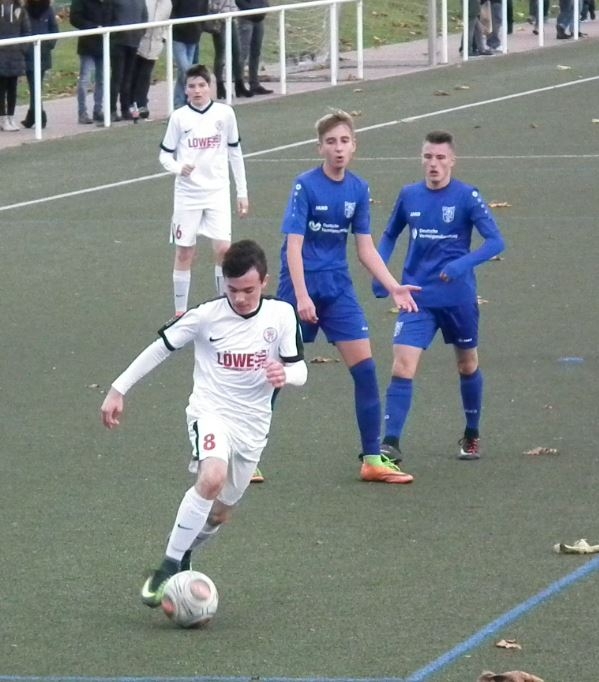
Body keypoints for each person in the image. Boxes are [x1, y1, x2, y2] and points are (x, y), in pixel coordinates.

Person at [100, 239, 308, 606]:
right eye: (232, 289)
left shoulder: (282, 315)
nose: (239, 298)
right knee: (211, 477)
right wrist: (118, 389)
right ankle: (167, 567)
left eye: (248, 290)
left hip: (253, 427)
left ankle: (184, 551)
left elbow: (300, 370)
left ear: (264, 281)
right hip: (211, 412)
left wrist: (285, 375)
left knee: (220, 513)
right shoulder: (206, 316)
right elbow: (161, 348)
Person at [276, 110, 419, 485]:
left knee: (366, 371)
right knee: (274, 373)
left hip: (338, 289)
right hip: (300, 288)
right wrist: (301, 297)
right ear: (319, 147)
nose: (338, 148)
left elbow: (365, 248)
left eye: (344, 141)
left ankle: (372, 459)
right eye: (331, 142)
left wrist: (393, 286)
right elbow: (293, 247)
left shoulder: (358, 189)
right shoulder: (305, 186)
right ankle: (246, 455)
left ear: (354, 146)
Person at [372, 130, 506, 462]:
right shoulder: (409, 195)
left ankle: (471, 433)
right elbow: (389, 235)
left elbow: (496, 242)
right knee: (402, 364)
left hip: (458, 299)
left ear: (452, 160)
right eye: (428, 157)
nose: (434, 163)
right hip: (416, 296)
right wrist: (381, 273)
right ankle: (390, 442)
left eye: (440, 157)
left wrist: (462, 265)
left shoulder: (467, 196)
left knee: (467, 363)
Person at [159, 63, 249, 316]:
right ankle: (180, 311)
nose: (197, 90)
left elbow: (235, 153)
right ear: (185, 90)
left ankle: (223, 306)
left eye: (201, 85)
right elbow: (164, 156)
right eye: (192, 86)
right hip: (188, 195)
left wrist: (242, 192)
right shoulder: (179, 118)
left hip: (217, 192)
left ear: (210, 87)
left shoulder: (225, 114)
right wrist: (179, 167)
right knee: (185, 251)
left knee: (223, 250)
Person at [70, 0, 111, 125]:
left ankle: (98, 110)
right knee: (85, 80)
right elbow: (75, 18)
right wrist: (93, 27)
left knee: (102, 79)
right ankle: (82, 112)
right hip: (87, 44)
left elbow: (112, 14)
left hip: (103, 43)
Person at [129, 0, 172, 120]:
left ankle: (142, 104)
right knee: (134, 73)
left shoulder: (168, 3)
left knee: (145, 75)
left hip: (155, 45)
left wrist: (163, 38)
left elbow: (168, 22)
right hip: (140, 41)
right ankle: (132, 103)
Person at [108, 0, 148, 122]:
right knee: (117, 77)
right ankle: (112, 110)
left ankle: (125, 109)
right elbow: (108, 17)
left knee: (127, 77)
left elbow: (144, 18)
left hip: (133, 41)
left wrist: (139, 33)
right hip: (119, 42)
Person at [21, 0, 58, 129]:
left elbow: (54, 30)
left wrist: (48, 45)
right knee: (35, 85)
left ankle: (39, 116)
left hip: (41, 52)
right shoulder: (24, 10)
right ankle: (33, 115)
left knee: (35, 86)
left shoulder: (46, 9)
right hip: (30, 53)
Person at [0, 0, 30, 132]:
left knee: (12, 88)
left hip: (15, 56)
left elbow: (26, 31)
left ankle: (11, 117)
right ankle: (3, 119)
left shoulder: (20, 9)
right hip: (1, 55)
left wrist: (22, 49)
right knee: (1, 88)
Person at [170, 0, 205, 108]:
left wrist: (200, 28)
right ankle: (183, 100)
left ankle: (180, 101)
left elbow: (204, 11)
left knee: (184, 71)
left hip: (193, 35)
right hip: (178, 36)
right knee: (186, 70)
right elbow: (172, 9)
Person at [235, 0, 273, 95]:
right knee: (243, 52)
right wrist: (250, 10)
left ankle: (254, 84)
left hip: (259, 18)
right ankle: (239, 85)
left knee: (256, 51)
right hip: (246, 18)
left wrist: (263, 8)